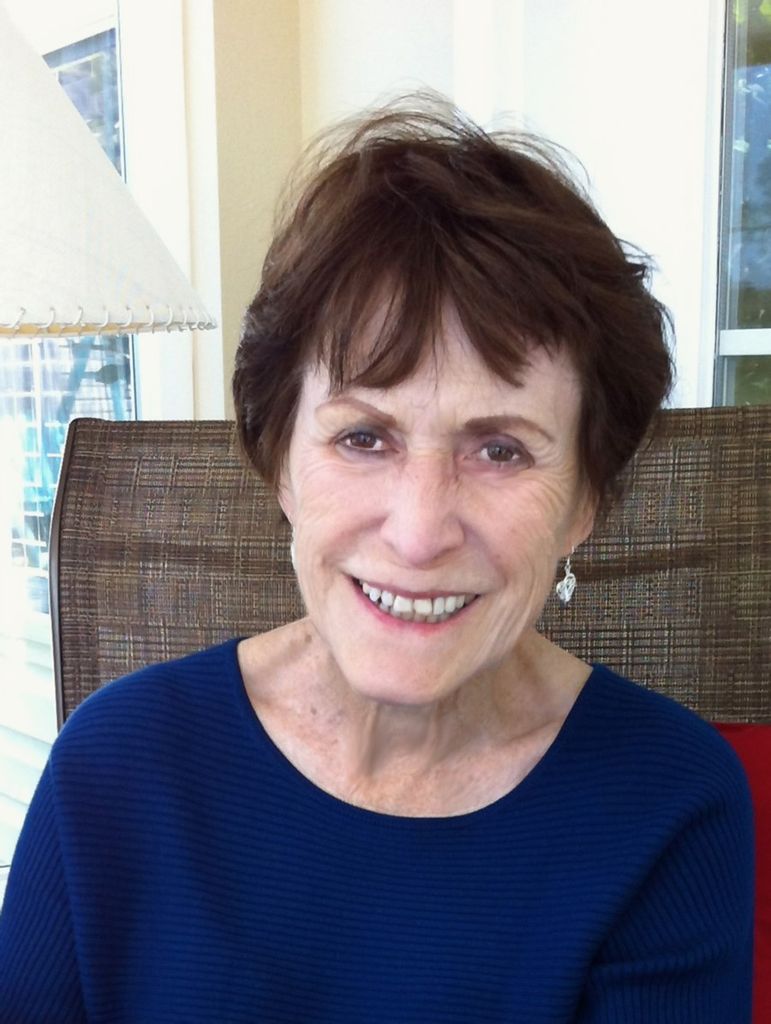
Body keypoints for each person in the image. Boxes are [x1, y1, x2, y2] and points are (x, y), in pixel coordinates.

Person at [0, 97, 754, 1022]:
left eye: (500, 449)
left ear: (584, 503)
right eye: (363, 437)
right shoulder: (114, 768)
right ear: (278, 460)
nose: (419, 531)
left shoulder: (671, 806)